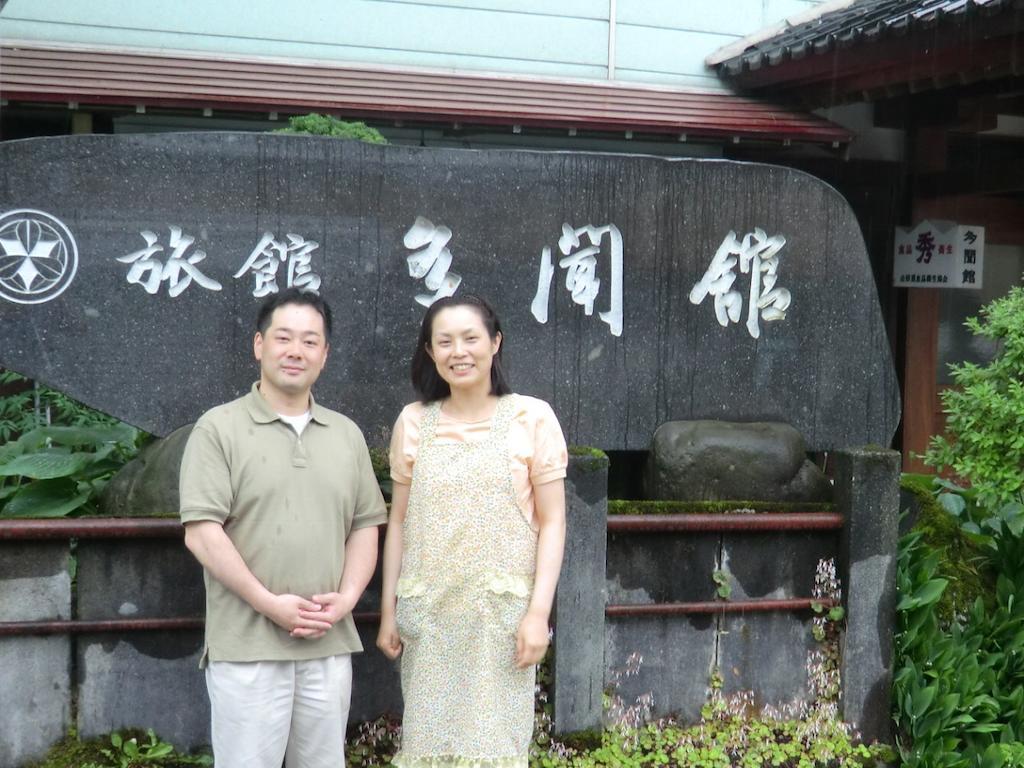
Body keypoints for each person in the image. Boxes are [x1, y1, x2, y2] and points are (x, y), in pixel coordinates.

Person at [179, 288, 387, 768]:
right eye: (284, 338)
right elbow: (202, 533)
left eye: (310, 341)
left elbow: (364, 526)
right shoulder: (219, 428)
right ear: (259, 345)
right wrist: (269, 604)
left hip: (327, 641)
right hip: (247, 647)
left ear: (325, 354)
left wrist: (349, 598)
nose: (296, 351)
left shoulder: (346, 434)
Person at [377, 294, 567, 767]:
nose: (458, 351)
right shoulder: (414, 421)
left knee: (494, 750)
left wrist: (537, 613)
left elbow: (554, 522)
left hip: (498, 622)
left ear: (495, 343)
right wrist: (387, 612)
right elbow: (398, 520)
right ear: (430, 352)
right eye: (444, 341)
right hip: (432, 617)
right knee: (428, 750)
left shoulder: (532, 417)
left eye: (470, 338)